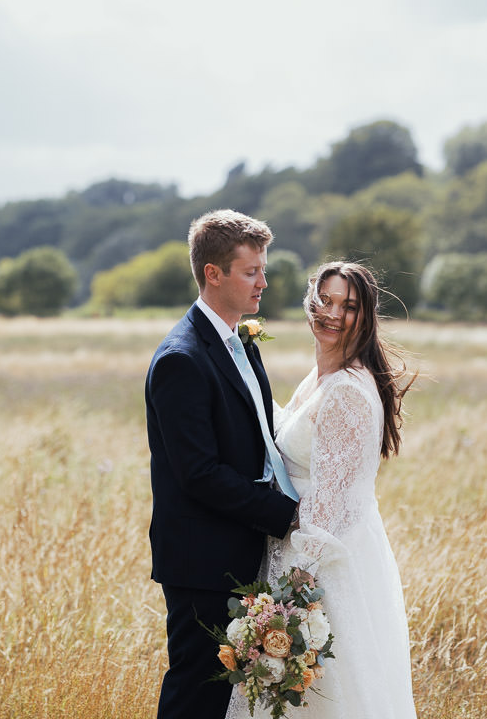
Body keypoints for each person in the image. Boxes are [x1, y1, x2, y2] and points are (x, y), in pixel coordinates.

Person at [225, 260, 418, 719]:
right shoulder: (322, 378)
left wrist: (291, 607)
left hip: (319, 571)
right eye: (325, 301)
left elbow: (326, 507)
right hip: (300, 555)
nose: (332, 314)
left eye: (348, 306)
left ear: (365, 315)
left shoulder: (346, 392)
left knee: (323, 698)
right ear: (310, 303)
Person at [147, 210, 299, 719]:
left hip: (240, 546)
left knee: (230, 695)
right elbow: (199, 474)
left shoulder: (240, 339)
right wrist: (285, 514)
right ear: (214, 274)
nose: (264, 281)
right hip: (202, 559)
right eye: (250, 270)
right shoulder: (181, 359)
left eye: (262, 269)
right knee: (197, 690)